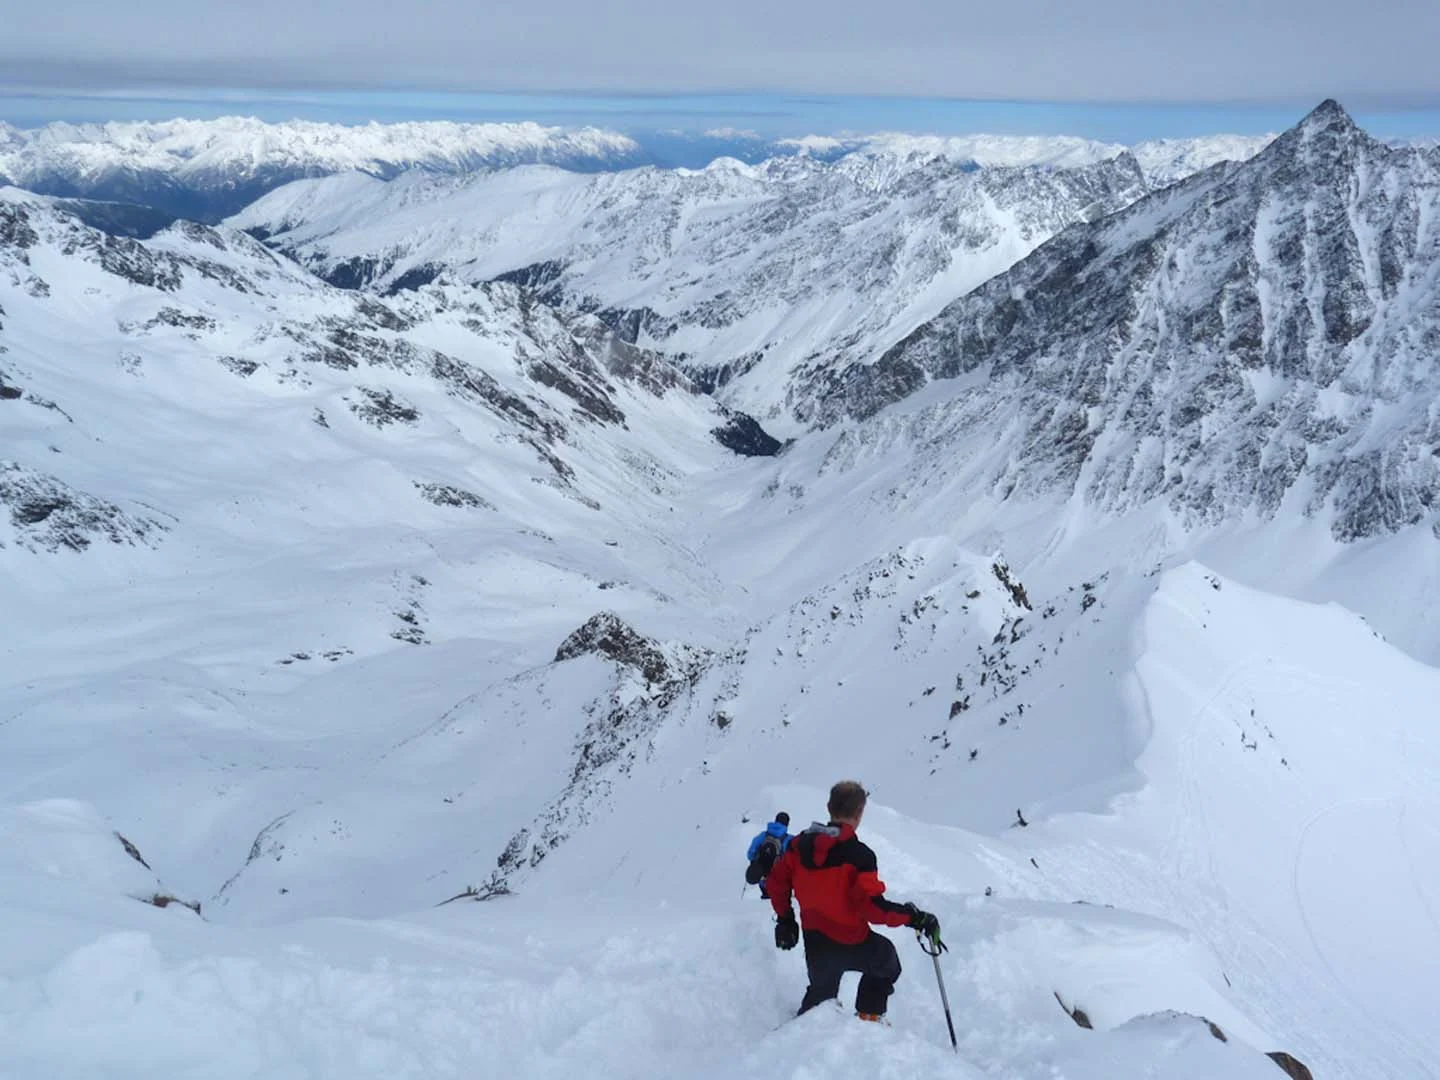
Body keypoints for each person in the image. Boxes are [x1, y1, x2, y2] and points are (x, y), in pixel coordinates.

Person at [766, 781, 941, 1022]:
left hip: (816, 941)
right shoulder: (860, 856)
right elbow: (873, 909)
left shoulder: (798, 847)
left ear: (829, 807)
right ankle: (868, 1018)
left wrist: (786, 919)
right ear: (860, 813)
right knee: (887, 962)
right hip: (853, 939)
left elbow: (777, 883)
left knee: (819, 1002)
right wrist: (913, 917)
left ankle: (799, 1034)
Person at [744, 812, 793, 897]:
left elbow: (750, 854)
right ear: (787, 824)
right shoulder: (789, 839)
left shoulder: (763, 835)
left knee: (766, 900)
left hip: (763, 880)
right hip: (779, 881)